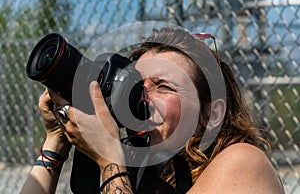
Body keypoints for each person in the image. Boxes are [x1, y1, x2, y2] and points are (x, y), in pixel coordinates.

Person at [21, 27, 284, 194]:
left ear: (211, 114)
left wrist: (109, 161)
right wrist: (55, 143)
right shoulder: (142, 170)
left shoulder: (243, 162)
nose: (141, 98)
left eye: (163, 86)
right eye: (135, 85)